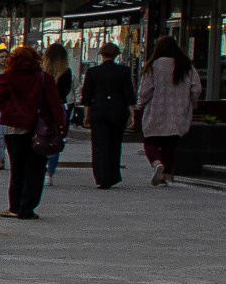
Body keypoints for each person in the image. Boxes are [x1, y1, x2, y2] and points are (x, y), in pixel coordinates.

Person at [0, 46, 65, 220]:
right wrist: (60, 127)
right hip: (39, 129)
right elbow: (55, 104)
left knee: (17, 168)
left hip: (13, 128)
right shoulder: (43, 78)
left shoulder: (6, 77)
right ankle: (27, 208)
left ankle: (15, 206)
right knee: (36, 168)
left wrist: (10, 111)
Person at [137, 37, 198, 184]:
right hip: (178, 110)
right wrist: (192, 101)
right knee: (170, 143)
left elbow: (145, 90)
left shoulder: (154, 65)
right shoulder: (185, 65)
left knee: (150, 141)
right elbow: (196, 87)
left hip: (156, 109)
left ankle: (157, 163)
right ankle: (166, 174)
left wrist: (140, 104)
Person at [79, 43, 136, 188]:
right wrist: (132, 114)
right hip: (118, 110)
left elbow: (86, 96)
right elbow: (129, 94)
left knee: (99, 145)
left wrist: (87, 115)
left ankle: (101, 177)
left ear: (101, 54)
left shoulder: (92, 72)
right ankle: (112, 175)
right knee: (114, 144)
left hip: (98, 110)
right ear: (116, 54)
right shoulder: (124, 71)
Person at [42, 43, 74, 179]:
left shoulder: (42, 72)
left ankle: (41, 166)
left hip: (43, 108)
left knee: (41, 136)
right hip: (59, 108)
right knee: (56, 139)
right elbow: (66, 91)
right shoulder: (66, 72)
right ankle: (50, 173)